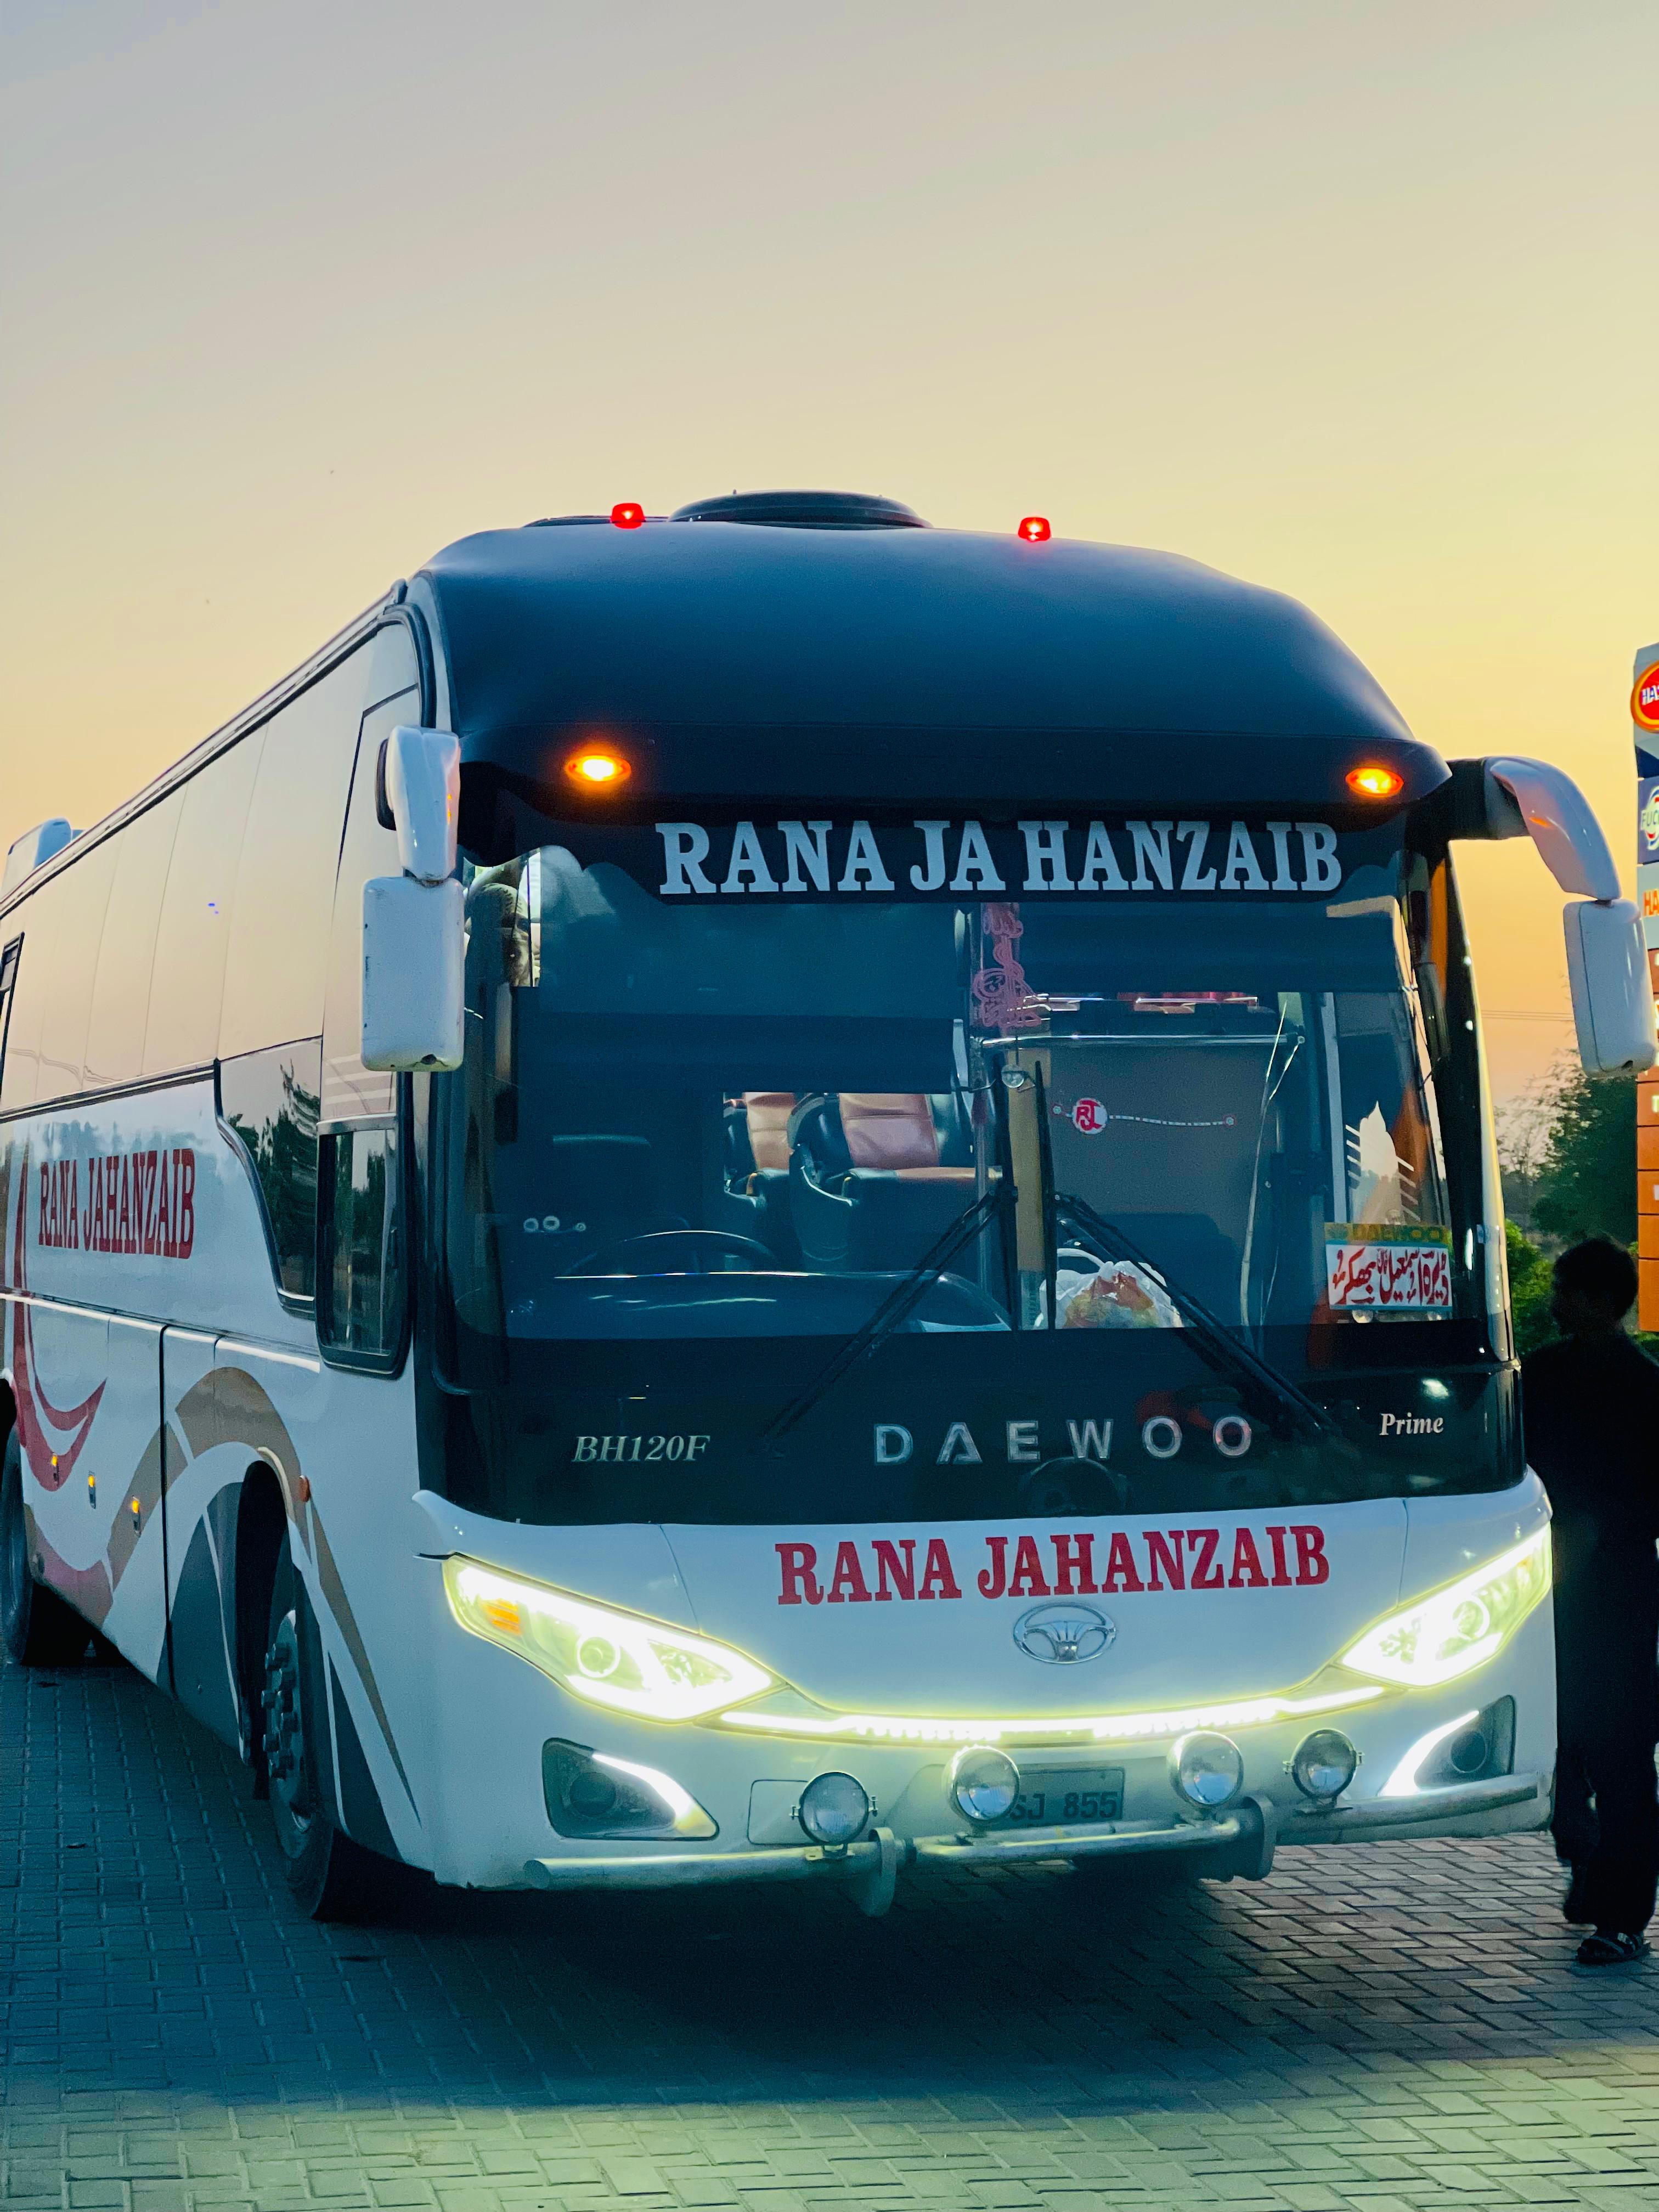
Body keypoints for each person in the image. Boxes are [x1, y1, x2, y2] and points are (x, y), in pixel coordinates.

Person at [1522, 1236, 1659, 1966]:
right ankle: (1599, 1878)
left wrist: (1587, 1532)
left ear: (1600, 1302)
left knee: (1603, 1753)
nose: (1554, 1302)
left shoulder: (1556, 1380)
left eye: (1566, 1290)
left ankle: (1618, 1910)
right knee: (1582, 1749)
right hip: (1584, 1595)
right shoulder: (1561, 1376)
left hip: (1589, 1596)